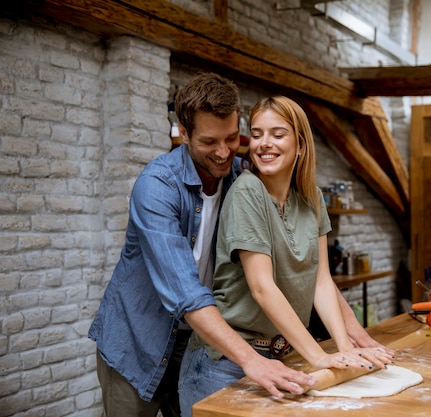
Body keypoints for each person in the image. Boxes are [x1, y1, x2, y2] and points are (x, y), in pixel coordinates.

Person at [88, 73, 388, 417]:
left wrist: (352, 337)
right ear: (183, 134)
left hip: (205, 341)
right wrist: (253, 360)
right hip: (140, 339)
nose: (222, 152)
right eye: (209, 141)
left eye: (232, 138)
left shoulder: (239, 177)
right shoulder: (157, 188)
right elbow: (187, 293)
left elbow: (315, 275)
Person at [178, 96, 395, 414]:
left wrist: (346, 348)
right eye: (256, 134)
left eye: (277, 134)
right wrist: (319, 356)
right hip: (225, 364)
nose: (264, 144)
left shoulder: (312, 198)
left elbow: (321, 280)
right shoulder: (247, 192)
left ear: (301, 145)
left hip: (281, 357)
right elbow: (262, 288)